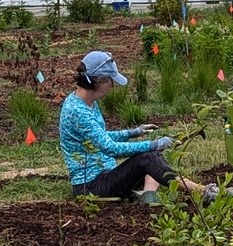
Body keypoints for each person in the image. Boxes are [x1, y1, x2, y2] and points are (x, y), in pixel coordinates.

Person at [59, 51, 188, 202]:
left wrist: (132, 133)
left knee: (154, 155)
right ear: (100, 81)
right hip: (90, 186)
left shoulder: (87, 102)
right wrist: (153, 144)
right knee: (147, 157)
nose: (113, 86)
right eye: (111, 81)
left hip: (104, 174)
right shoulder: (77, 111)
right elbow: (111, 148)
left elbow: (100, 137)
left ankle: (148, 195)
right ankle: (200, 191)